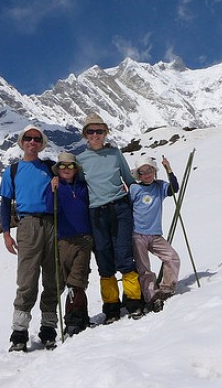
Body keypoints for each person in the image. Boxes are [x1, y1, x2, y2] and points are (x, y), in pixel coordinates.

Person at [75, 112, 144, 323]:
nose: (95, 135)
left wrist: (149, 192)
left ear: (105, 132)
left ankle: (134, 302)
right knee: (104, 259)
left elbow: (129, 179)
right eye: (91, 131)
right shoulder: (80, 160)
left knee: (124, 253)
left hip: (120, 208)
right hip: (96, 213)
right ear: (85, 134)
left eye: (99, 131)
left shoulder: (115, 154)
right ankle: (112, 308)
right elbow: (77, 188)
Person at [0, 124, 58, 352]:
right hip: (27, 225)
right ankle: (19, 332)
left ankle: (48, 329)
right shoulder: (12, 171)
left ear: (41, 144)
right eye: (28, 139)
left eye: (36, 139)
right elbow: (5, 203)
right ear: (22, 142)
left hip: (51, 223)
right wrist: (6, 233)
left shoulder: (50, 168)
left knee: (52, 278)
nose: (32, 142)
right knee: (27, 280)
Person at [45, 151, 93, 337]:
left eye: (70, 166)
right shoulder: (56, 187)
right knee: (71, 281)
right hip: (63, 240)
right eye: (62, 166)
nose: (66, 169)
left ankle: (73, 321)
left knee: (77, 281)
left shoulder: (82, 187)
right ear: (58, 169)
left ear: (75, 168)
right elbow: (50, 209)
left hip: (84, 239)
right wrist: (52, 191)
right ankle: (80, 317)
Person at [129, 155, 181, 313]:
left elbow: (174, 189)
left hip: (155, 234)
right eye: (143, 172)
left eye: (149, 170)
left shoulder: (160, 186)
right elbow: (127, 207)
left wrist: (169, 170)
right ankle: (151, 295)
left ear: (154, 171)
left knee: (172, 258)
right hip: (138, 234)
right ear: (138, 175)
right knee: (144, 268)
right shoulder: (135, 189)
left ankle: (166, 288)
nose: (147, 174)